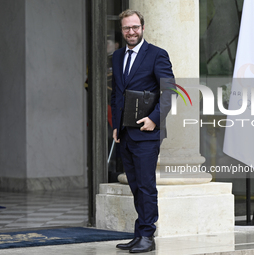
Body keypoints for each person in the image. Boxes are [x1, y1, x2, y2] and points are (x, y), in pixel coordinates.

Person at [111, 9, 175, 253]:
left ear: (143, 27)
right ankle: (140, 234)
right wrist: (116, 126)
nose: (131, 32)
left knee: (146, 185)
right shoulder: (117, 56)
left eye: (135, 27)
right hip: (125, 133)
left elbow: (169, 91)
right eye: (127, 28)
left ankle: (148, 235)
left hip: (147, 132)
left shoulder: (157, 55)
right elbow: (116, 94)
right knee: (136, 185)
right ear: (122, 30)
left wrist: (155, 119)